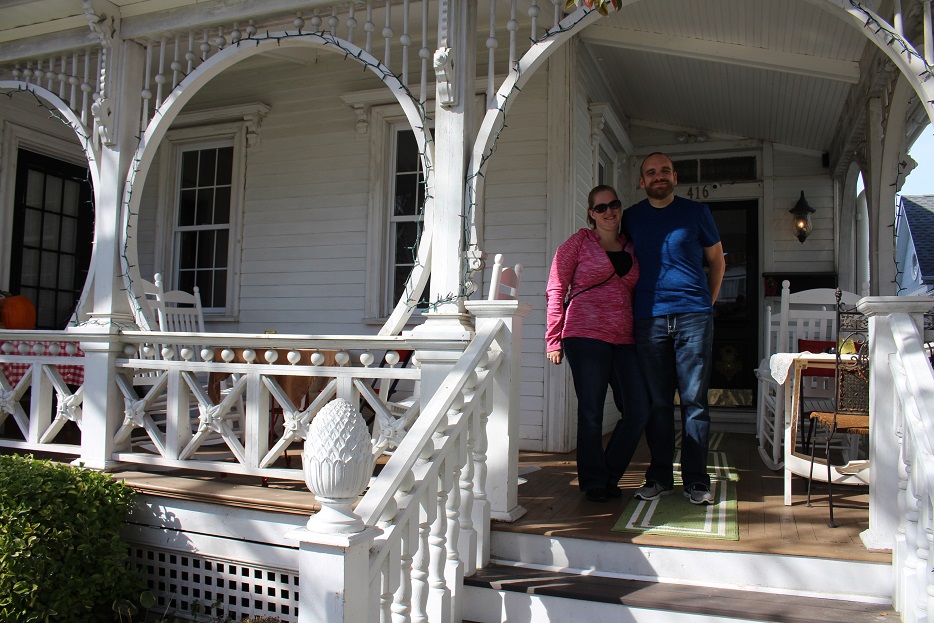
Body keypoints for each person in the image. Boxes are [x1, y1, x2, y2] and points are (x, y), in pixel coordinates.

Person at [623, 152, 725, 505]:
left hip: (693, 315)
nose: (658, 176)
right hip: (649, 318)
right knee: (658, 403)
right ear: (642, 181)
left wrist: (705, 305)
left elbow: (717, 262)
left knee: (695, 401)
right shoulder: (631, 218)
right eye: (651, 172)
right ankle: (660, 477)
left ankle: (696, 480)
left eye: (664, 170)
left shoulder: (697, 213)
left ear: (675, 177)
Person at [545, 185, 651, 503]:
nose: (609, 212)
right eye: (601, 207)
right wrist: (553, 338)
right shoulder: (578, 243)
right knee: (590, 411)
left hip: (625, 338)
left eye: (614, 205)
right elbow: (556, 288)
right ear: (591, 213)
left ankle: (608, 473)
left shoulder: (632, 247)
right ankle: (594, 482)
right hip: (584, 335)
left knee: (638, 409)